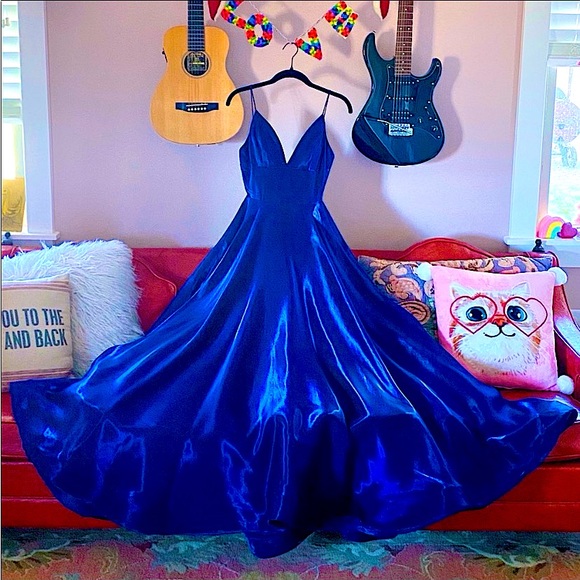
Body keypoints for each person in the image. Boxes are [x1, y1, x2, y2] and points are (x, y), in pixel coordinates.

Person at [10, 91, 577, 559]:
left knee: (370, 364)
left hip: (315, 257)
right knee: (192, 358)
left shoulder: (330, 104)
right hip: (250, 257)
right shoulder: (244, 101)